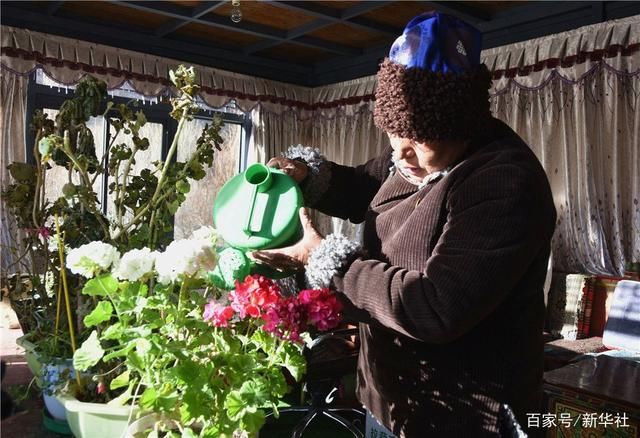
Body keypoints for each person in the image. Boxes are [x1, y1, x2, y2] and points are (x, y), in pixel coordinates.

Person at [253, 11, 556, 438]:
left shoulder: (503, 182)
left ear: (462, 127)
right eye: (395, 138)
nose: (401, 154)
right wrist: (309, 177)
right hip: (391, 399)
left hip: (463, 418)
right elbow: (365, 187)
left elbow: (434, 306)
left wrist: (322, 258)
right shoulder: (412, 156)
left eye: (415, 142)